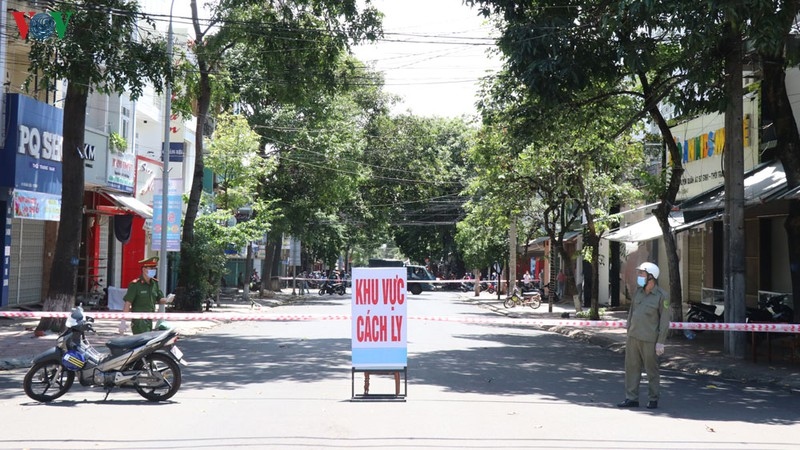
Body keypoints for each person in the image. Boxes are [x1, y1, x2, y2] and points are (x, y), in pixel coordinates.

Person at [617, 262, 670, 410]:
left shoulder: (662, 296)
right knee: (631, 368)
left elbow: (664, 321)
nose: (639, 276)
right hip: (633, 337)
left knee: (651, 370)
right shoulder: (638, 292)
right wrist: (628, 332)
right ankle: (631, 397)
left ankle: (653, 398)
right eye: (639, 273)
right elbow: (631, 313)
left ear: (651, 277)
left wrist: (661, 342)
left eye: (642, 274)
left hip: (650, 340)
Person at [122, 256, 169, 335]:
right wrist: (123, 321)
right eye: (151, 268)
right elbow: (128, 303)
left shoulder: (155, 283)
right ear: (144, 269)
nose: (153, 271)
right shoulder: (135, 285)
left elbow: (160, 299)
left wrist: (167, 300)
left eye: (154, 268)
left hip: (149, 319)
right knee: (144, 341)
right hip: (139, 320)